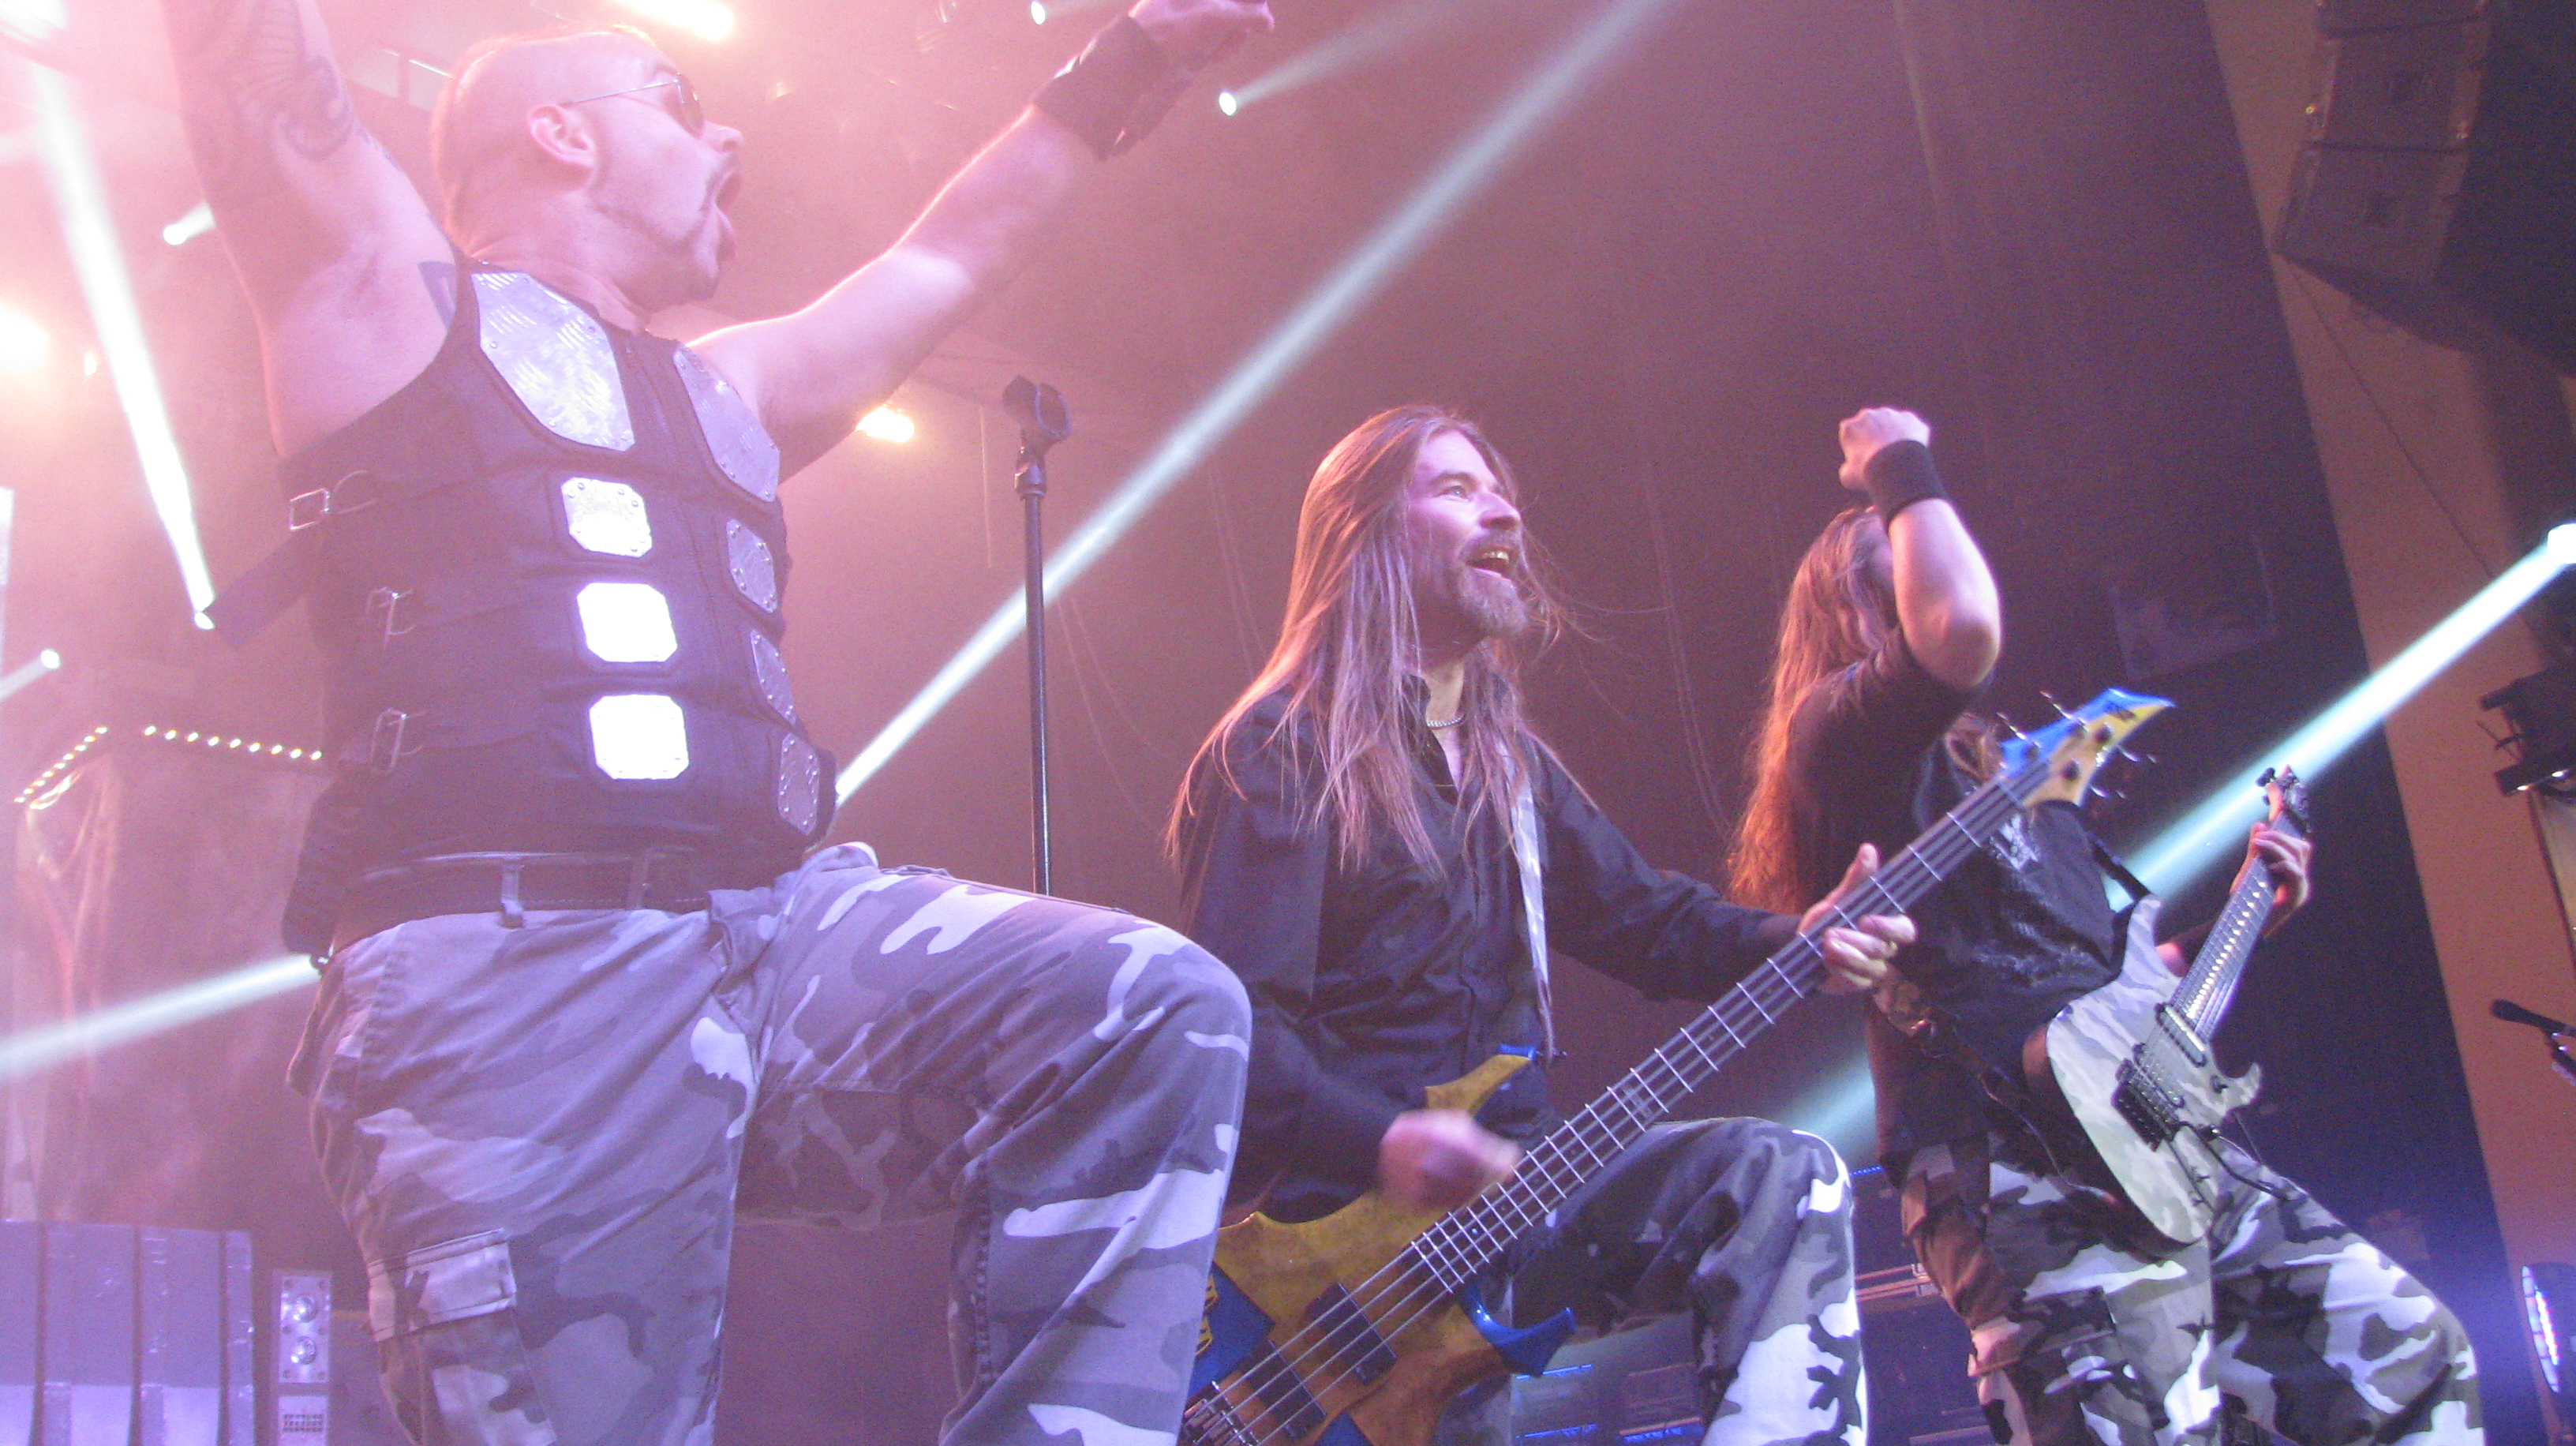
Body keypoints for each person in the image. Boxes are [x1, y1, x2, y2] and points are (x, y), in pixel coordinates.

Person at [159, 0, 1274, 1438]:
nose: (729, 134)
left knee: (1146, 1012)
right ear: (560, 134)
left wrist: (1134, 55)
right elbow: (253, 64)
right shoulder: (383, 301)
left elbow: (946, 253)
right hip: (517, 982)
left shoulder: (727, 384)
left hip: (766, 936)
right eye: (679, 103)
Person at [1730, 406, 2484, 1444]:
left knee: (2410, 1362)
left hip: (2157, 1144)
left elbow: (2113, 991)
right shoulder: (1837, 737)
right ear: (1864, 601)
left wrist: (2245, 918)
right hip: (2015, 1161)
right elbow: (1958, 634)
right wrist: (1896, 464)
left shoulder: (2015, 785)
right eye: (1905, 561)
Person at [1170, 405, 1915, 1446]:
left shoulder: (1511, 767)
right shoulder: (1283, 748)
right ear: (1364, 534)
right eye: (1456, 488)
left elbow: (1644, 917)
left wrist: (1795, 940)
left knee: (1779, 1176)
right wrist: (1382, 1139)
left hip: (1512, 1205)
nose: (1504, 512)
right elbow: (1231, 1034)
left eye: (1502, 491)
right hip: (1339, 1272)